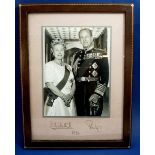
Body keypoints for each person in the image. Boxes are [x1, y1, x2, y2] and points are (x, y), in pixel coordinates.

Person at [71, 28, 109, 116]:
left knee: (93, 121)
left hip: (93, 90)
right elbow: (73, 75)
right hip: (79, 93)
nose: (84, 39)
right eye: (82, 37)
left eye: (87, 37)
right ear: (79, 40)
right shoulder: (76, 55)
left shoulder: (102, 54)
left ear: (92, 38)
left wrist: (97, 94)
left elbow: (105, 77)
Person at [44, 39, 76, 116]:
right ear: (52, 51)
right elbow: (49, 84)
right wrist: (64, 97)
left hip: (69, 100)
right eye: (57, 50)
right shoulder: (49, 65)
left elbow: (73, 83)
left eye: (61, 49)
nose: (59, 52)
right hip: (57, 101)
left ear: (64, 51)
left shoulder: (68, 66)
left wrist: (70, 95)